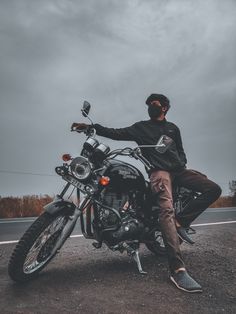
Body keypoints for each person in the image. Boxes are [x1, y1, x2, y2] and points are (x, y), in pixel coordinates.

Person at [71, 94, 221, 293]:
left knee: (214, 189)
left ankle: (181, 222)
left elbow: (181, 150)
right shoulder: (141, 127)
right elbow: (116, 132)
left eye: (155, 103)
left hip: (179, 171)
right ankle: (178, 269)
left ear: (165, 107)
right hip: (160, 171)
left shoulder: (173, 128)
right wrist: (93, 127)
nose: (151, 106)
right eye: (149, 104)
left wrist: (181, 163)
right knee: (165, 210)